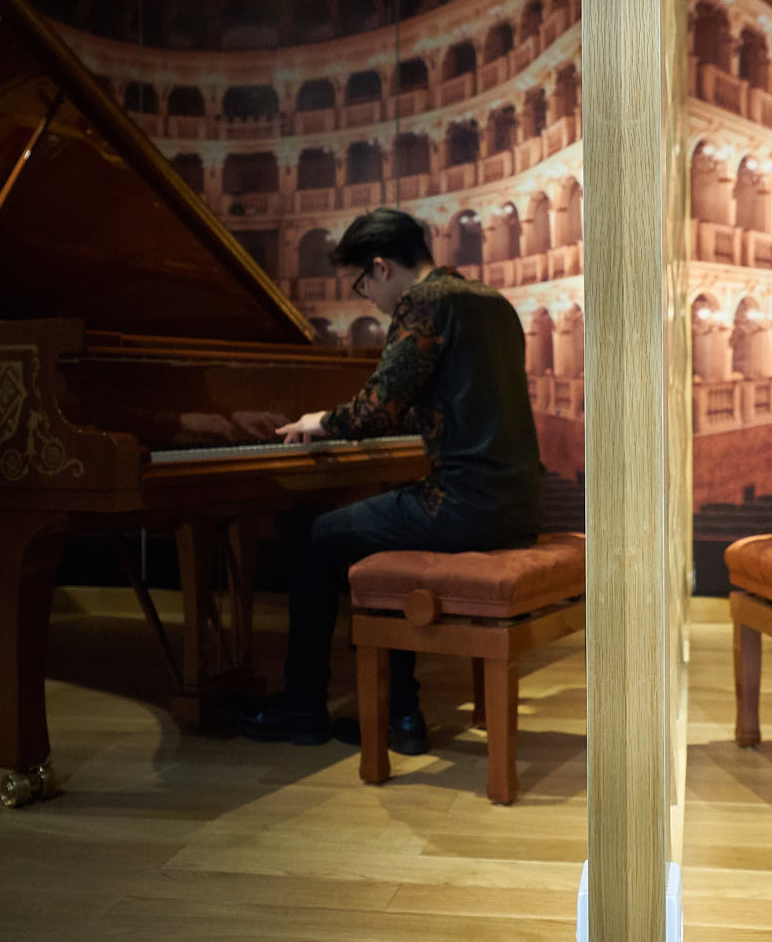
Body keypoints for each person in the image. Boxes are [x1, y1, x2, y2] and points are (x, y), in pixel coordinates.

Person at [234, 207, 546, 753]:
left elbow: (379, 406)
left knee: (313, 536)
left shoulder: (424, 303)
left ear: (381, 267)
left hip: (462, 506)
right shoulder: (492, 302)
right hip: (520, 506)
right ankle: (399, 713)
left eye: (364, 285)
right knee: (379, 535)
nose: (371, 300)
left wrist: (322, 421)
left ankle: (302, 709)